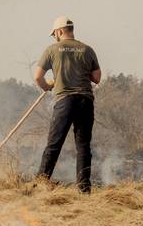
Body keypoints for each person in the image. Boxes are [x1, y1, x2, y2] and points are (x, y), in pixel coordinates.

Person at [33, 16, 102, 192]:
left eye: (54, 33)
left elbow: (37, 76)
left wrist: (47, 86)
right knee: (83, 146)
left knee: (54, 143)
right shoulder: (87, 49)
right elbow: (97, 78)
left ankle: (41, 182)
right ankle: (84, 189)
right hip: (85, 101)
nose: (54, 36)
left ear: (59, 31)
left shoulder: (52, 49)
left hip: (66, 101)